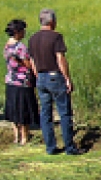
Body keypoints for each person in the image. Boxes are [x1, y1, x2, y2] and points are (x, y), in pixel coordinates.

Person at [28, 8, 80, 156]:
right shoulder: (56, 37)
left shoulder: (33, 38)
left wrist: (37, 74)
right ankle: (69, 147)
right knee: (64, 113)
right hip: (54, 76)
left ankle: (50, 147)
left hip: (41, 77)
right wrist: (67, 78)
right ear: (52, 21)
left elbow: (32, 60)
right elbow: (60, 58)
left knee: (45, 114)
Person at [3, 19, 39, 145]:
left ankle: (16, 136)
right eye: (23, 30)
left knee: (13, 109)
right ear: (17, 32)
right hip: (23, 81)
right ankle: (24, 137)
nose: (24, 33)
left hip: (11, 80)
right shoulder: (20, 47)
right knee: (24, 110)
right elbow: (28, 64)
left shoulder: (7, 45)